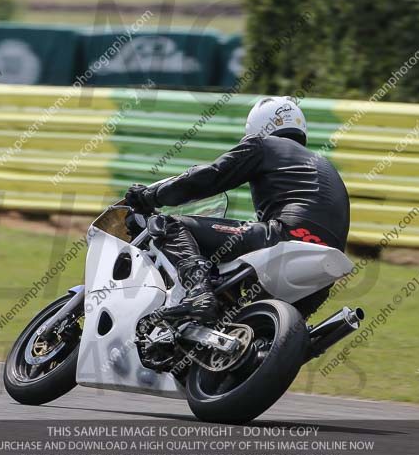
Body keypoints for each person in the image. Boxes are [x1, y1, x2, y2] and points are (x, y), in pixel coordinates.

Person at [124, 96, 350, 324]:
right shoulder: (323, 165)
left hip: (284, 237)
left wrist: (150, 195)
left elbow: (210, 176)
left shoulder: (264, 145)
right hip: (325, 266)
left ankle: (199, 293)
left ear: (257, 126)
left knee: (170, 225)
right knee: (260, 329)